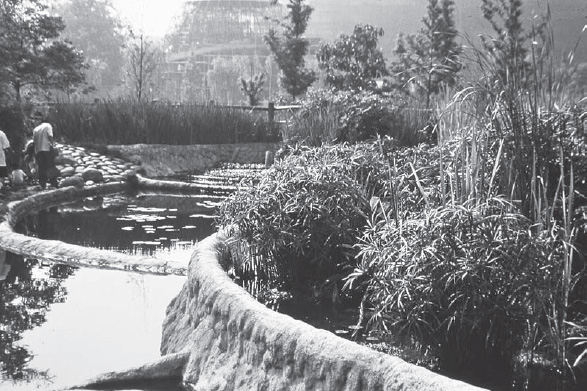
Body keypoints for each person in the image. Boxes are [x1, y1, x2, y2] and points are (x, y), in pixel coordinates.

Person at [32, 118, 58, 189]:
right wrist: (53, 146)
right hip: (46, 149)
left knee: (41, 167)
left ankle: (42, 184)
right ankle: (53, 183)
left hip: (38, 151)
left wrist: (34, 153)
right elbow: (50, 136)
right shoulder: (48, 126)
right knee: (50, 166)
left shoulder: (36, 129)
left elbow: (34, 142)